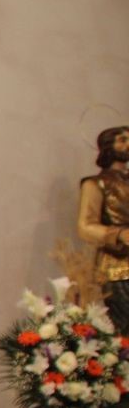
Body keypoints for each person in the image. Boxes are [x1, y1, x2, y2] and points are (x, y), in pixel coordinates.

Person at [77, 126, 129, 331]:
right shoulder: (96, 184)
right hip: (116, 266)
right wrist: (119, 234)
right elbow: (85, 226)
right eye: (122, 140)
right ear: (108, 146)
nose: (128, 145)